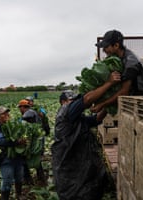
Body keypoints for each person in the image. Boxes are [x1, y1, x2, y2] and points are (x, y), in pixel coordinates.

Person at [51, 71, 121, 200]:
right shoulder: (66, 112)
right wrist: (109, 83)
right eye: (70, 100)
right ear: (63, 102)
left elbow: (96, 120)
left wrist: (107, 103)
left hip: (84, 173)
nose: (73, 102)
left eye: (73, 100)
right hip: (72, 175)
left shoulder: (78, 119)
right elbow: (87, 100)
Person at [91, 29, 143, 113]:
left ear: (116, 45)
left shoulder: (130, 63)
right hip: (141, 104)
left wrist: (102, 104)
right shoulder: (121, 59)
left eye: (106, 47)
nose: (104, 50)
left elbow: (124, 92)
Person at [0, 106, 26, 200]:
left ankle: (19, 194)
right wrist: (16, 142)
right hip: (5, 158)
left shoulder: (14, 125)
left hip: (18, 157)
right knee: (7, 180)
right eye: (3, 114)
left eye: (7, 113)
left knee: (19, 177)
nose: (7, 115)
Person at [18, 99, 46, 185]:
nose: (20, 109)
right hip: (37, 140)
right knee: (36, 160)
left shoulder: (28, 113)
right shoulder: (34, 112)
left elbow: (25, 125)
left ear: (23, 107)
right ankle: (41, 178)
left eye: (20, 107)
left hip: (32, 141)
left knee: (24, 160)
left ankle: (28, 180)